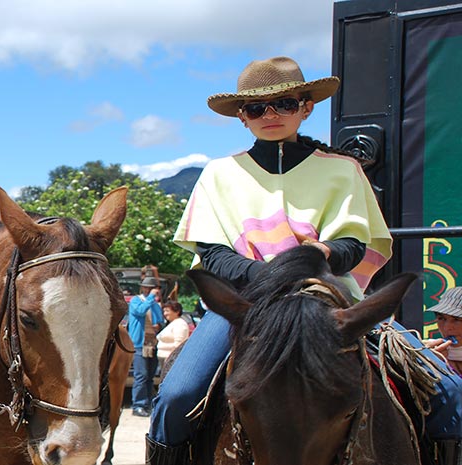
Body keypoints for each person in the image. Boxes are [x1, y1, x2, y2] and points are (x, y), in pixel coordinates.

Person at [149, 56, 462, 464]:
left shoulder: (343, 170)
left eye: (286, 104)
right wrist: (271, 278)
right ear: (242, 116)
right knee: (177, 395)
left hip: (333, 299)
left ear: (307, 106)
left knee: (448, 393)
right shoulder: (219, 174)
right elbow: (213, 254)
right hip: (247, 305)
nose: (271, 115)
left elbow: (354, 243)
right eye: (258, 108)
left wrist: (322, 253)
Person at [128, 276, 163, 417]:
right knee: (141, 375)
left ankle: (148, 404)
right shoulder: (136, 300)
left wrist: (159, 325)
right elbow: (141, 311)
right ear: (142, 288)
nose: (149, 290)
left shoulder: (155, 304)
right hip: (139, 345)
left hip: (153, 344)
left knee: (150, 377)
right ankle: (138, 405)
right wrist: (151, 298)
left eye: (151, 288)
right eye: (147, 287)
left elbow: (160, 319)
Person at [427, 287, 462, 374]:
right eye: (441, 318)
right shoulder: (428, 353)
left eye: (457, 319)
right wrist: (428, 364)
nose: (446, 328)